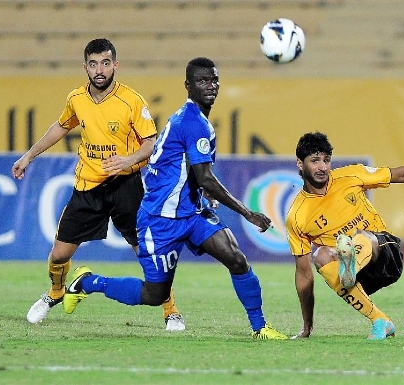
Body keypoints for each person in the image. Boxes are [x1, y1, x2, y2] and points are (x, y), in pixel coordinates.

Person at [62, 57, 288, 340]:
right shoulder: (191, 122)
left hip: (192, 214)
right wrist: (247, 213)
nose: (211, 86)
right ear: (188, 85)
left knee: (236, 259)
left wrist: (204, 192)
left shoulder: (197, 121)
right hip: (160, 219)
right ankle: (90, 282)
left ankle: (260, 328)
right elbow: (205, 177)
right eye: (202, 80)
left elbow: (193, 173)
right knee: (154, 294)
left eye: (214, 80)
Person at [12, 38, 185, 331]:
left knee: (145, 252)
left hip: (125, 186)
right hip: (88, 186)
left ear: (115, 65)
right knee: (59, 255)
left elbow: (150, 144)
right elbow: (61, 126)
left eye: (105, 63)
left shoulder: (131, 100)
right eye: (93, 64)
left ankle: (172, 312)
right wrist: (29, 155)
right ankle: (56, 293)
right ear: (86, 67)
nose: (100, 70)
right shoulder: (76, 98)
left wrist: (126, 160)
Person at [285, 132, 404, 340]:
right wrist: (307, 327)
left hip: (385, 254)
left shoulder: (350, 175)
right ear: (300, 163)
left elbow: (400, 175)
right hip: (361, 281)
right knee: (321, 256)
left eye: (326, 160)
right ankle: (381, 321)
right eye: (315, 161)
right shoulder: (297, 216)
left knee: (360, 237)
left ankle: (349, 265)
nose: (323, 167)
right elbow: (304, 274)